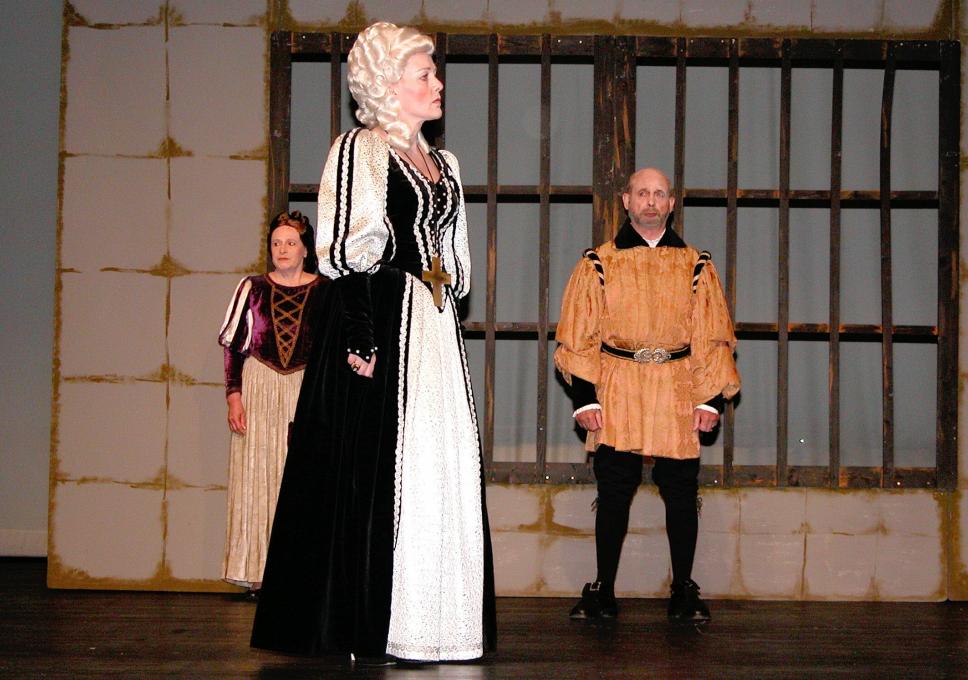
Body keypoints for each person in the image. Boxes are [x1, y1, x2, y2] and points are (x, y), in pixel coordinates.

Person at [251, 21, 496, 663]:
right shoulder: (360, 149)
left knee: (439, 458)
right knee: (377, 466)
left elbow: (453, 254)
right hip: (381, 317)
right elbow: (345, 248)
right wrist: (361, 332)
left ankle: (437, 619)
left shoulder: (445, 164)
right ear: (389, 84)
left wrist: (441, 299)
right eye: (424, 74)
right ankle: (372, 620)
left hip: (433, 322)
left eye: (434, 72)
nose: (437, 84)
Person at [555, 167, 740, 623]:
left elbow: (712, 336)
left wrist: (709, 399)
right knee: (614, 490)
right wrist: (585, 397)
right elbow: (579, 336)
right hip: (617, 385)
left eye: (659, 194)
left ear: (671, 203)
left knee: (681, 491)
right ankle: (603, 589)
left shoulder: (696, 266)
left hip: (678, 387)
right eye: (642, 193)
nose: (651, 201)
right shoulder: (598, 263)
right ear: (626, 201)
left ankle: (683, 589)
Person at [218, 211, 328, 597]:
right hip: (260, 386)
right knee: (257, 477)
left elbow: (333, 349)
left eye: (290, 243)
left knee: (302, 482)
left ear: (306, 249)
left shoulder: (325, 291)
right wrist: (234, 396)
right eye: (276, 243)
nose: (282, 250)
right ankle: (258, 572)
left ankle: (301, 574)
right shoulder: (252, 288)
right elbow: (233, 346)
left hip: (304, 389)